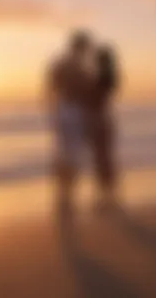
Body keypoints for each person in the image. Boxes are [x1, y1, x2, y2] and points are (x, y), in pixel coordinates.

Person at [46, 30, 93, 208]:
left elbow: (50, 88)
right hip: (74, 111)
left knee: (63, 153)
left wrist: (53, 111)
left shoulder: (61, 64)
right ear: (81, 47)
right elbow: (86, 94)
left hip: (63, 109)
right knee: (72, 154)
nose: (87, 51)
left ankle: (63, 194)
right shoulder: (81, 68)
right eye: (85, 48)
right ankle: (67, 195)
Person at [89, 45, 119, 207]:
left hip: (100, 120)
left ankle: (106, 196)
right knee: (104, 158)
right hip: (106, 119)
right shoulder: (109, 77)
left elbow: (95, 101)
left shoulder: (102, 78)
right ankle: (108, 195)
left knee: (101, 159)